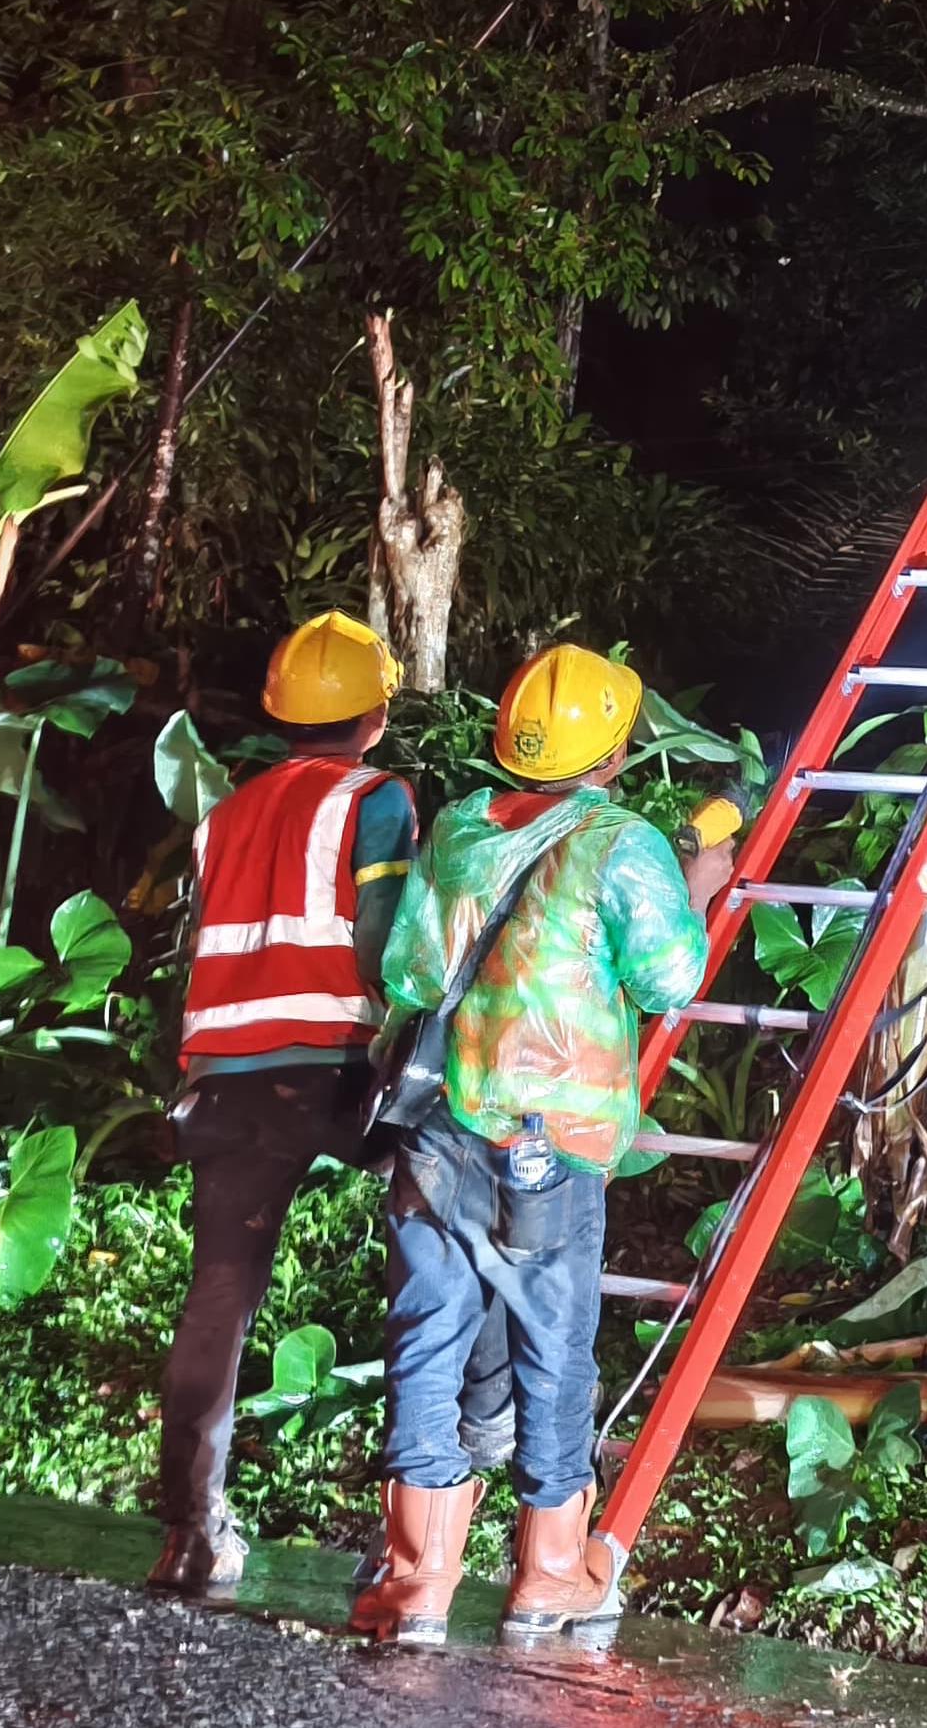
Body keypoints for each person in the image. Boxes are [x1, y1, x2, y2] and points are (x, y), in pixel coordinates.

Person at [349, 643, 738, 1646]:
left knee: (427, 1340)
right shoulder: (622, 843)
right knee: (553, 1347)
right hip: (550, 1141)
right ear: (613, 754)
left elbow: (406, 969)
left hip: (440, 1130)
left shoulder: (458, 828)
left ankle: (417, 1580)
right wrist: (699, 882)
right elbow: (669, 979)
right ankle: (550, 1572)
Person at [149, 613, 420, 1596]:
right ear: (375, 713)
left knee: (220, 1290)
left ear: (279, 714)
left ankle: (190, 1531)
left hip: (225, 1082)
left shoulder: (224, 814)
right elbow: (390, 942)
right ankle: (409, 1546)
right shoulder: (375, 797)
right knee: (427, 1273)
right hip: (333, 1068)